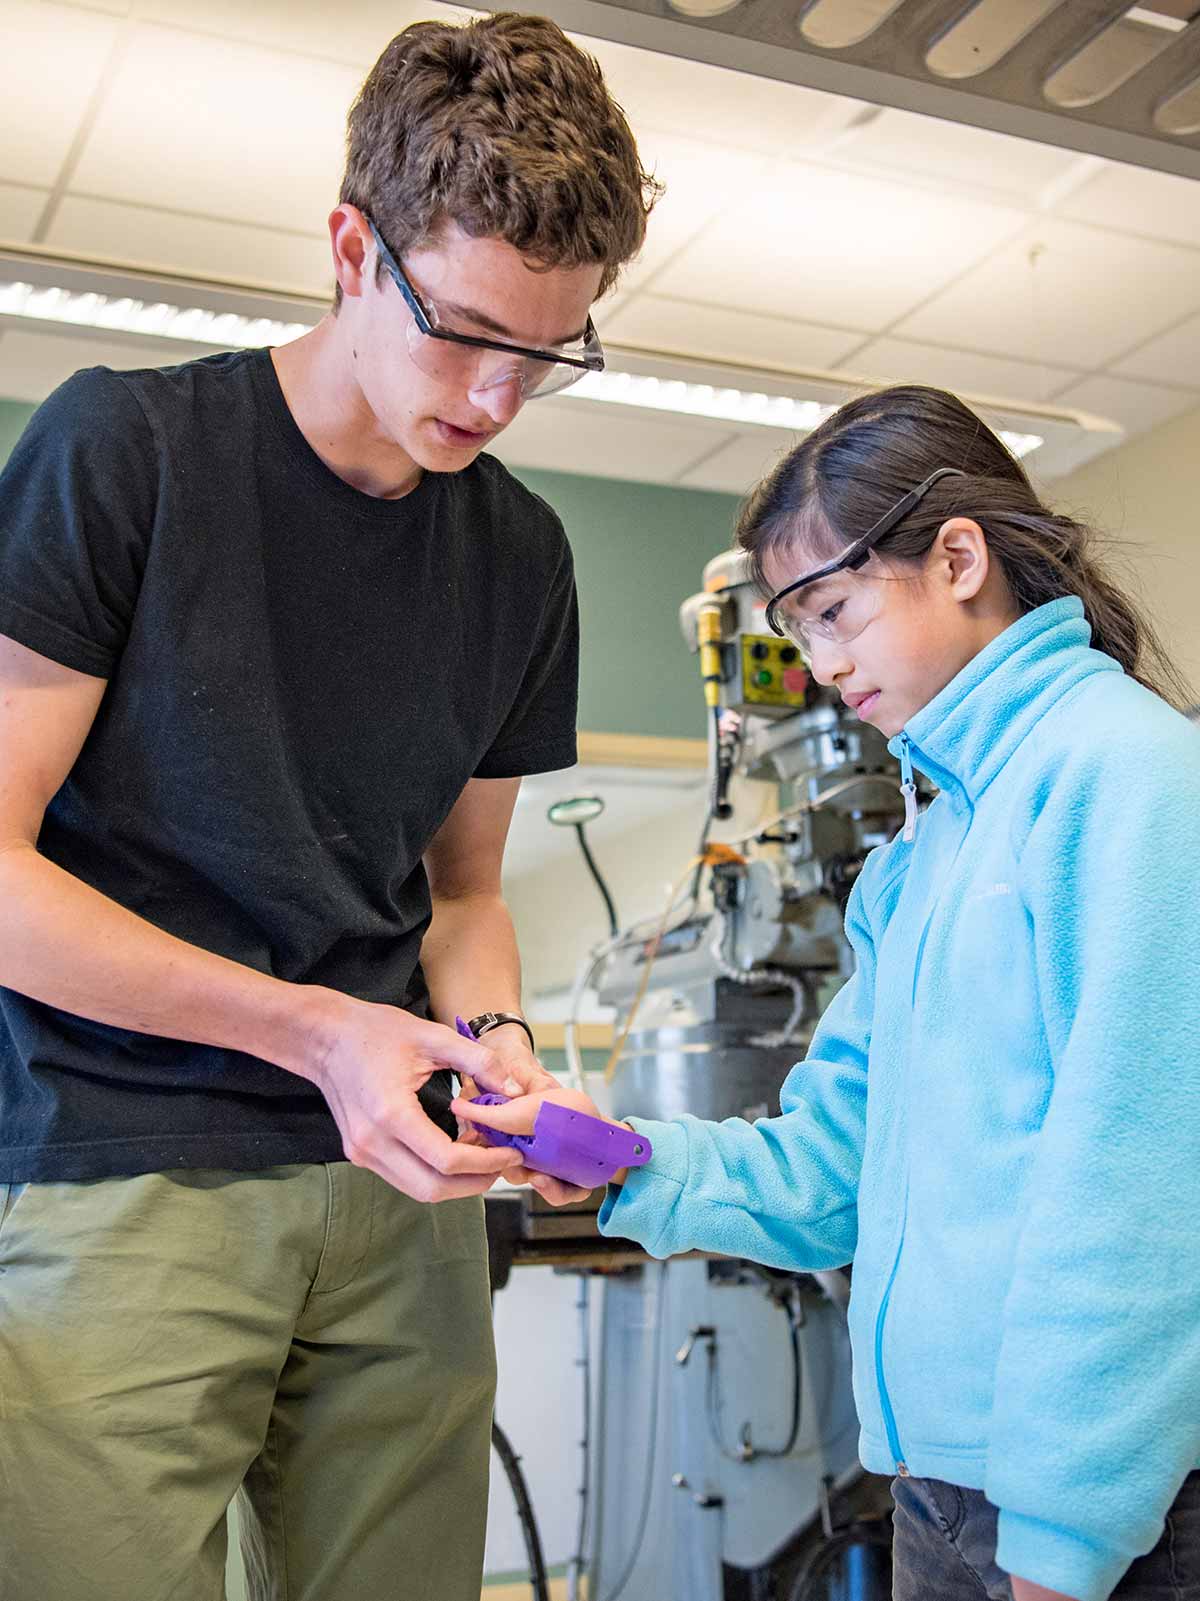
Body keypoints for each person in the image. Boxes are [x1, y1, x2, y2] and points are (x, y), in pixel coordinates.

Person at [0, 14, 658, 1600]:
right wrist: (313, 1032)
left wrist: (501, 1059)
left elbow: (467, 894)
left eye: (551, 352)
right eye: (468, 334)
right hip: (124, 1163)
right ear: (354, 249)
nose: (501, 398)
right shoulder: (127, 452)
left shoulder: (521, 558)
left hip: (398, 1189)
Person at [465, 385, 1200, 1601]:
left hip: (1103, 1515)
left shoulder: (1127, 780)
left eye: (836, 610)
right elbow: (828, 1171)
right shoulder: (922, 853)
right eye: (798, 630)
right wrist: (621, 1160)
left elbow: (1139, 1199)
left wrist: (1066, 1538)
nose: (822, 662)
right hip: (937, 1488)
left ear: (958, 557)